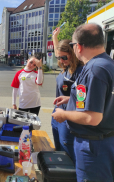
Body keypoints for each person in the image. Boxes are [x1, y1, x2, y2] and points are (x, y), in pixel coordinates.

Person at [52, 23, 114, 182]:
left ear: (78, 47)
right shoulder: (106, 64)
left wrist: (64, 114)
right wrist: (70, 99)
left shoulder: (93, 69)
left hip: (93, 146)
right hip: (102, 142)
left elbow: (92, 118)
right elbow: (101, 99)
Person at [51, 27, 83, 162]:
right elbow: (59, 52)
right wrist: (55, 37)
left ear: (73, 53)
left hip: (67, 117)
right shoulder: (66, 67)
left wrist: (69, 99)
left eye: (64, 57)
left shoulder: (80, 71)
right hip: (57, 115)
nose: (61, 60)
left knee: (67, 152)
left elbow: (84, 101)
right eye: (59, 57)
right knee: (58, 150)